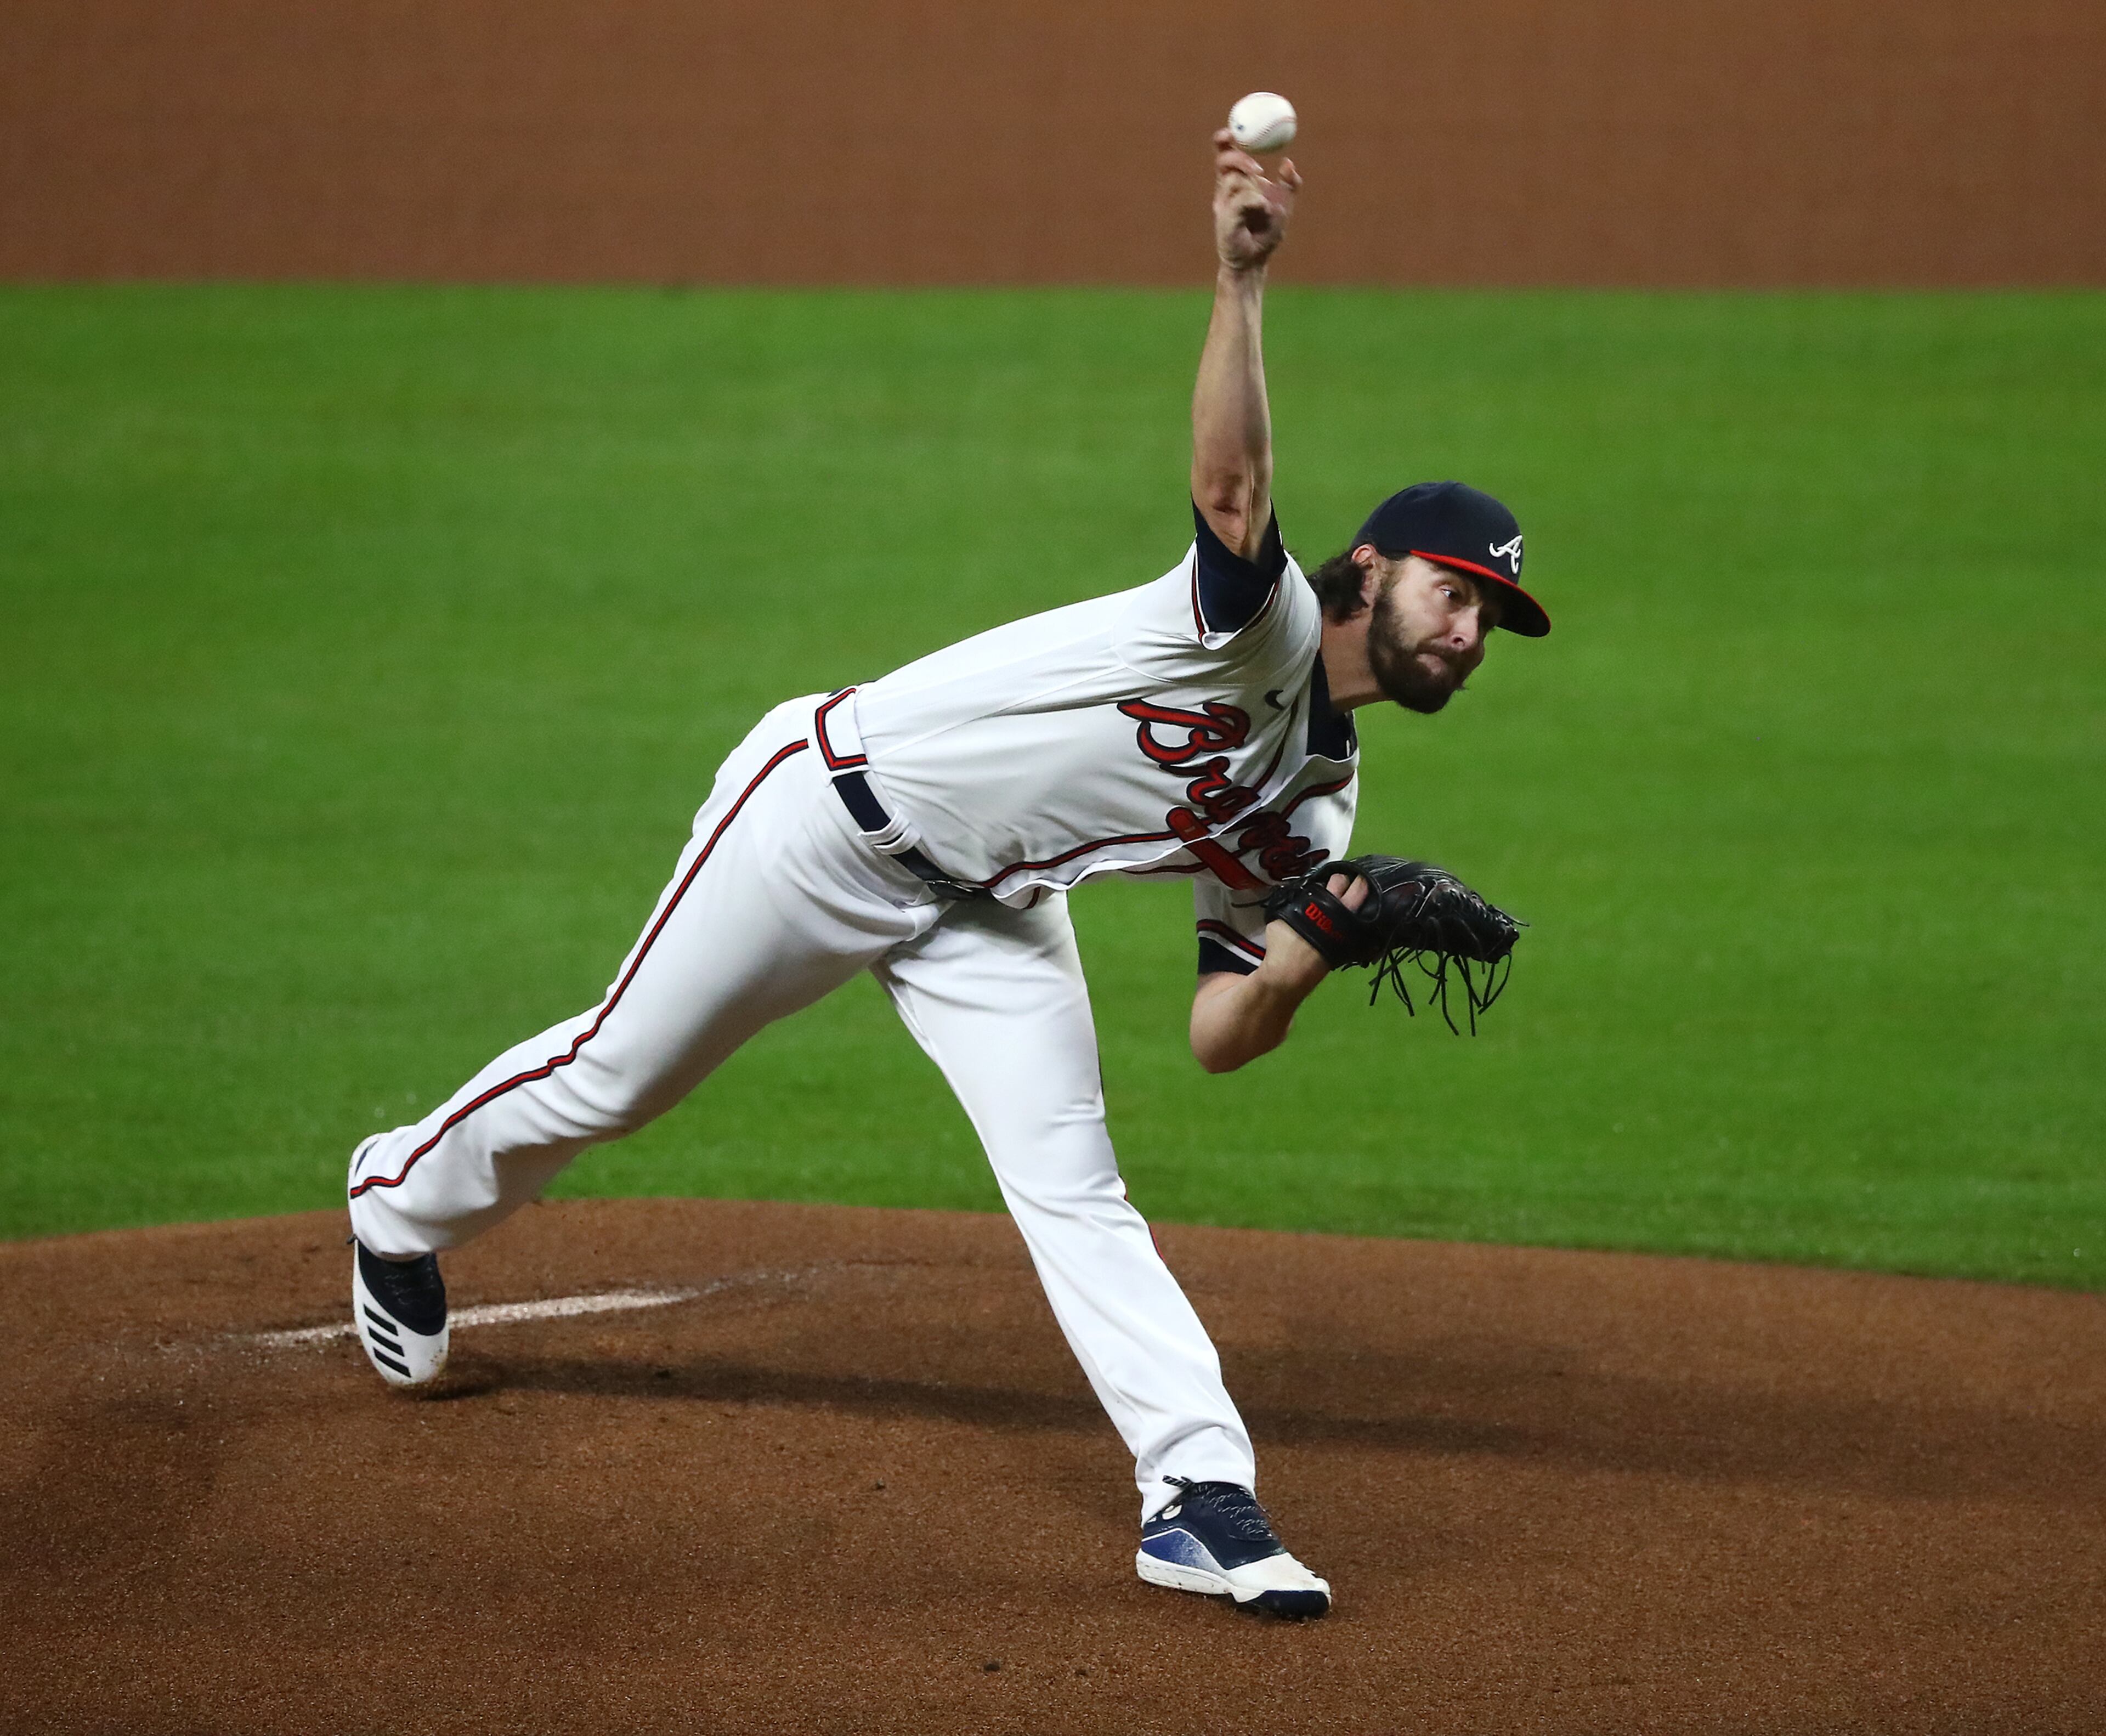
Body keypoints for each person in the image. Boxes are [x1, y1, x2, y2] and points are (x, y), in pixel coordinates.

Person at [344, 127, 1550, 1621]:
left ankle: (1197, 1493)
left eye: (1496, 619)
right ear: (1376, 571)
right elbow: (1233, 490)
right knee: (617, 1080)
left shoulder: (1322, 794)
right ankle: (398, 1198)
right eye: (1460, 594)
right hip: (823, 818)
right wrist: (1239, 283)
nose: (1473, 635)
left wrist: (1326, 929)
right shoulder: (1257, 624)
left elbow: (1220, 1036)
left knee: (1079, 1185)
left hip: (991, 906)